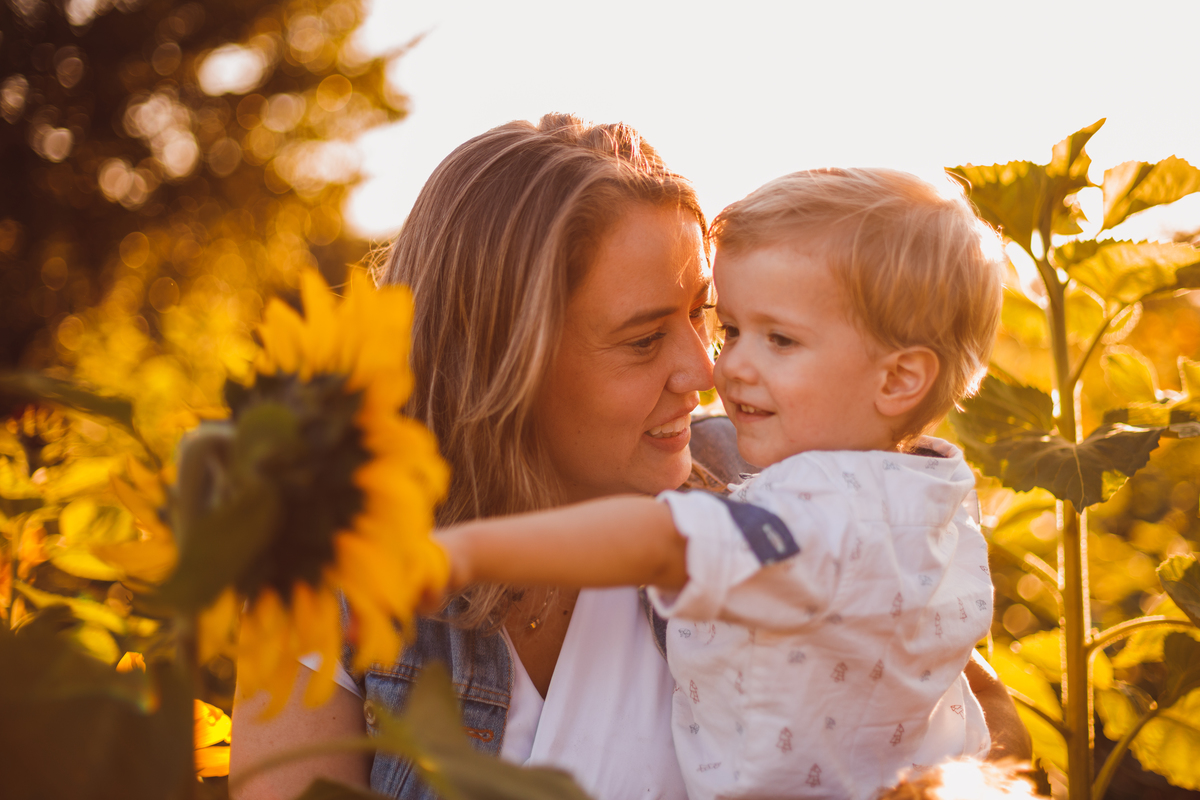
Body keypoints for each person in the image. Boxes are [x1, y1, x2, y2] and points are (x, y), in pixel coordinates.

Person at [229, 117, 1030, 800]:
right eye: (645, 339)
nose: (706, 371)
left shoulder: (775, 481)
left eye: (702, 317)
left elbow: (989, 734)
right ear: (502, 362)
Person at [437, 168, 1007, 800]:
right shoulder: (929, 492)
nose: (723, 367)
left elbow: (658, 541)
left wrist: (467, 550)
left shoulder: (824, 515)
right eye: (731, 328)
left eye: (780, 340)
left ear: (899, 380)